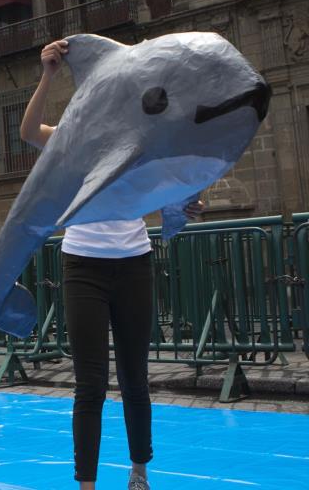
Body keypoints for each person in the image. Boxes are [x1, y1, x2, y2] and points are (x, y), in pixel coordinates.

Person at [19, 39, 204, 490]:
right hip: (83, 264)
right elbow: (26, 132)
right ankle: (87, 484)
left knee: (135, 378)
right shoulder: (70, 137)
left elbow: (173, 189)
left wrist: (191, 203)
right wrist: (48, 74)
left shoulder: (141, 141)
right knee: (91, 383)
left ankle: (139, 473)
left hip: (135, 262)